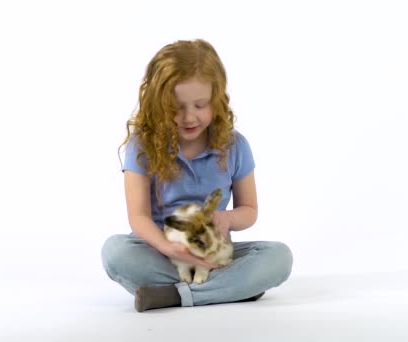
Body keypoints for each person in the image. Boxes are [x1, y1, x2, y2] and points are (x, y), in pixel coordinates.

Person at [101, 39, 293, 312]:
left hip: (211, 256)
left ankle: (174, 296)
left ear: (216, 100)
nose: (189, 117)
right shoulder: (141, 147)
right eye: (176, 108)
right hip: (159, 252)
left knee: (279, 257)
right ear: (158, 105)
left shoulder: (235, 146)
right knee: (115, 252)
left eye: (200, 105)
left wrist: (226, 218)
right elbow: (139, 217)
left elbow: (249, 210)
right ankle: (227, 289)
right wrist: (168, 248)